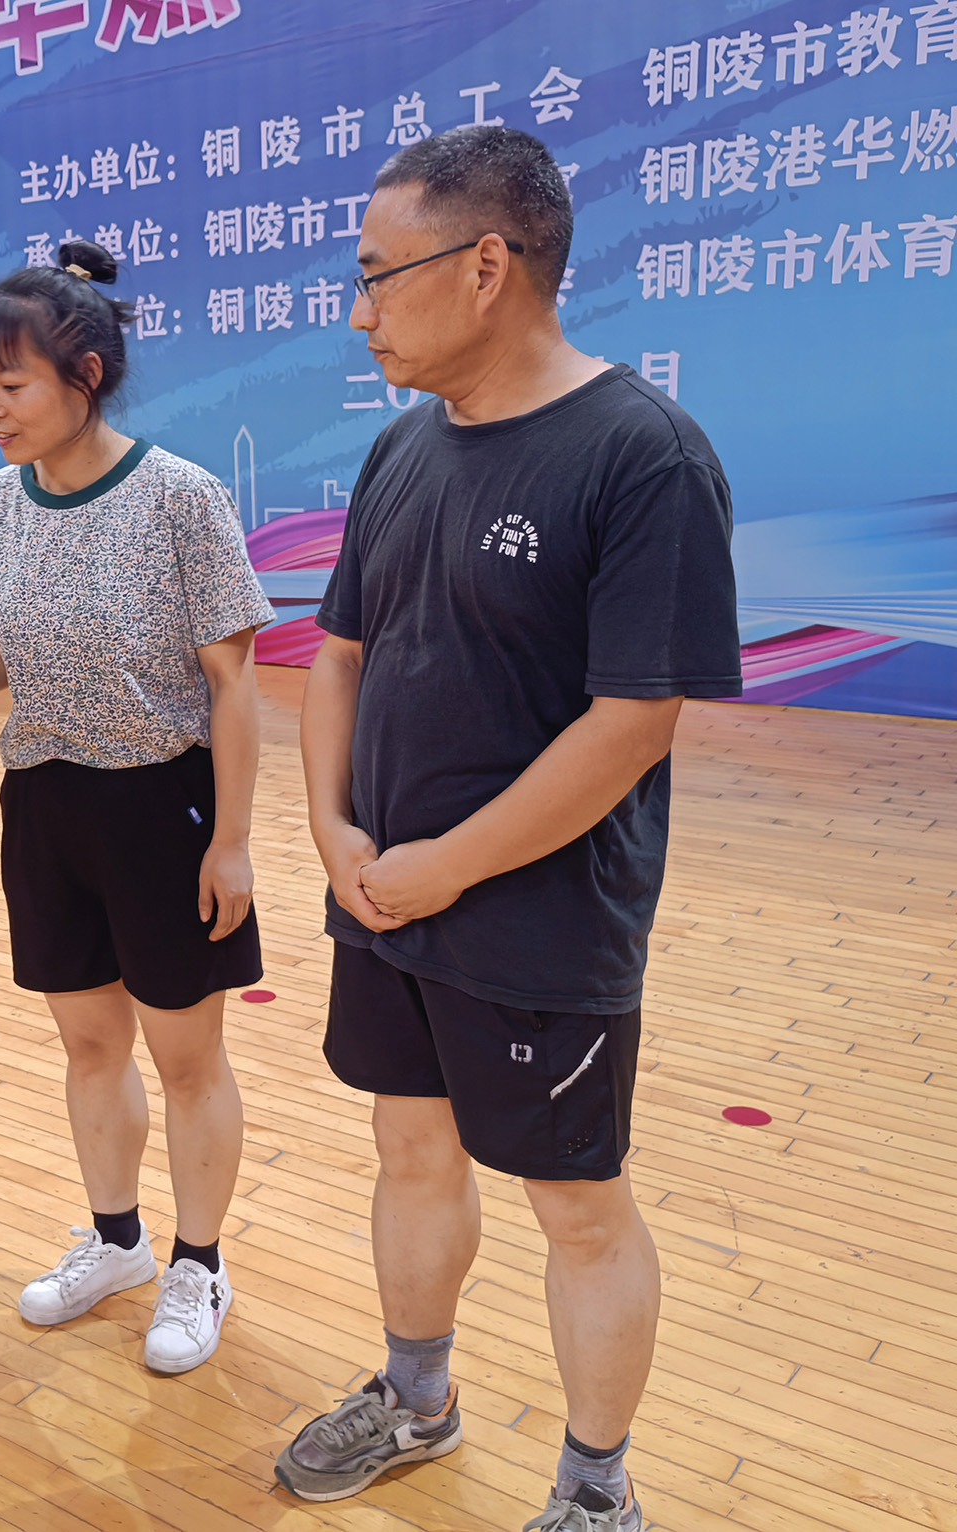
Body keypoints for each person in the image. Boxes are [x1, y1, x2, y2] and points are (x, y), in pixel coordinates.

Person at [274, 127, 741, 1532]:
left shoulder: (642, 455)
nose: (360, 313)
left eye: (377, 276)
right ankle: (417, 1399)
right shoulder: (399, 448)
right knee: (409, 1152)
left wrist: (446, 866)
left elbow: (631, 722)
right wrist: (332, 832)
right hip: (384, 898)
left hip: (540, 923)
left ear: (486, 266)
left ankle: (596, 1493)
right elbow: (338, 655)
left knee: (577, 1206)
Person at [0, 241, 275, 1376]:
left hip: (163, 807)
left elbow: (234, 684)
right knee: (90, 1043)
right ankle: (116, 1241)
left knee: (186, 1056)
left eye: (11, 383)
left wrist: (233, 843)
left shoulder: (180, 496)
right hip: (43, 805)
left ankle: (199, 1263)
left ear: (84, 375)